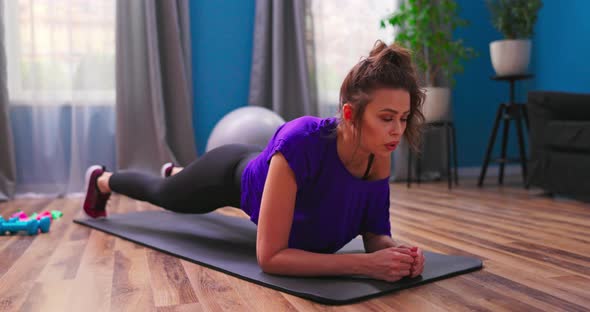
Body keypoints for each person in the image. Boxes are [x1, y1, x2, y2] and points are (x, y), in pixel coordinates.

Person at [82, 40, 426, 282]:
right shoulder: (301, 141)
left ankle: (180, 172)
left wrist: (400, 255)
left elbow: (375, 235)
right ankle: (102, 179)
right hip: (228, 173)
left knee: (174, 184)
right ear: (350, 114)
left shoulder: (378, 155)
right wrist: (365, 267)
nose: (397, 130)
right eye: (386, 117)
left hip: (262, 169)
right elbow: (271, 258)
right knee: (165, 194)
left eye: (403, 118)